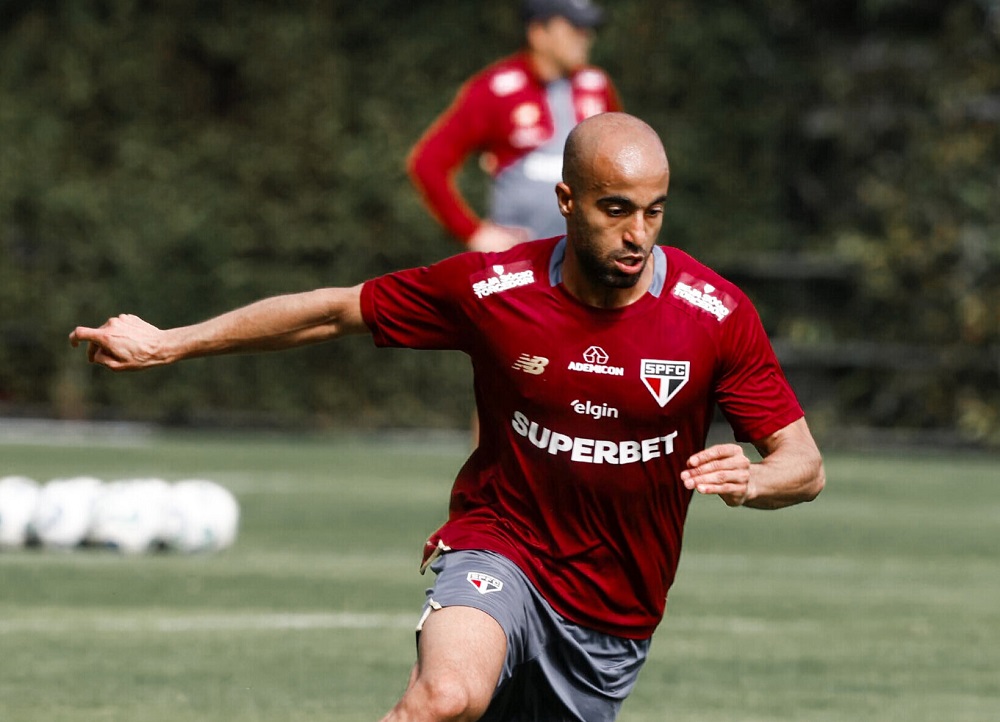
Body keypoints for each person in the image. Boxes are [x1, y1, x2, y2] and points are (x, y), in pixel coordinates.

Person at [70, 112, 825, 722]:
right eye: (616, 209)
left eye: (653, 211)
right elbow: (335, 311)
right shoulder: (495, 290)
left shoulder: (714, 316)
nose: (638, 235)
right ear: (567, 201)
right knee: (443, 698)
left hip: (613, 613)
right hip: (502, 546)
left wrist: (756, 481)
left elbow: (804, 465)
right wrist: (170, 343)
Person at [408, 0, 622, 253]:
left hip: (588, 258)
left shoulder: (596, 85)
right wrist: (473, 232)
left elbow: (624, 165)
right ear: (538, 32)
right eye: (574, 28)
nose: (585, 37)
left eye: (587, 29)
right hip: (520, 263)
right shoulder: (496, 90)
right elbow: (428, 163)